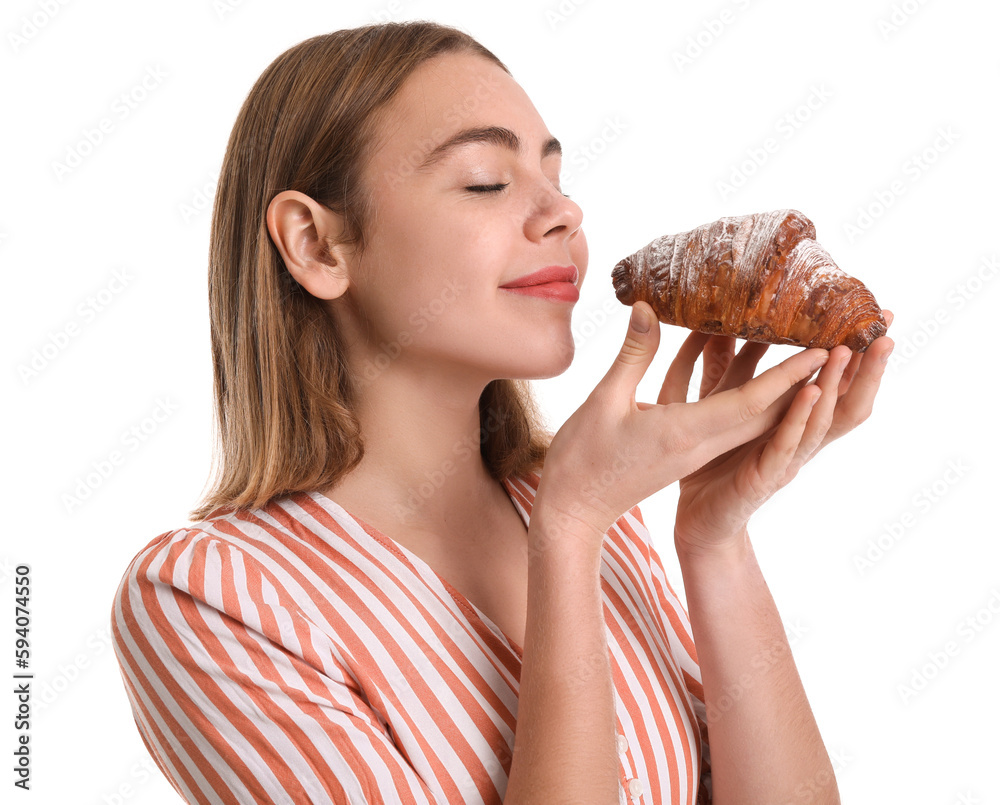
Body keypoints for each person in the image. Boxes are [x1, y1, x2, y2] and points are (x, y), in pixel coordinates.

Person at [110, 20, 894, 805]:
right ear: (317, 245)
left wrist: (714, 540)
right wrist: (570, 528)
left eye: (555, 174)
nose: (564, 212)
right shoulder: (207, 597)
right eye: (486, 180)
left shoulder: (585, 507)